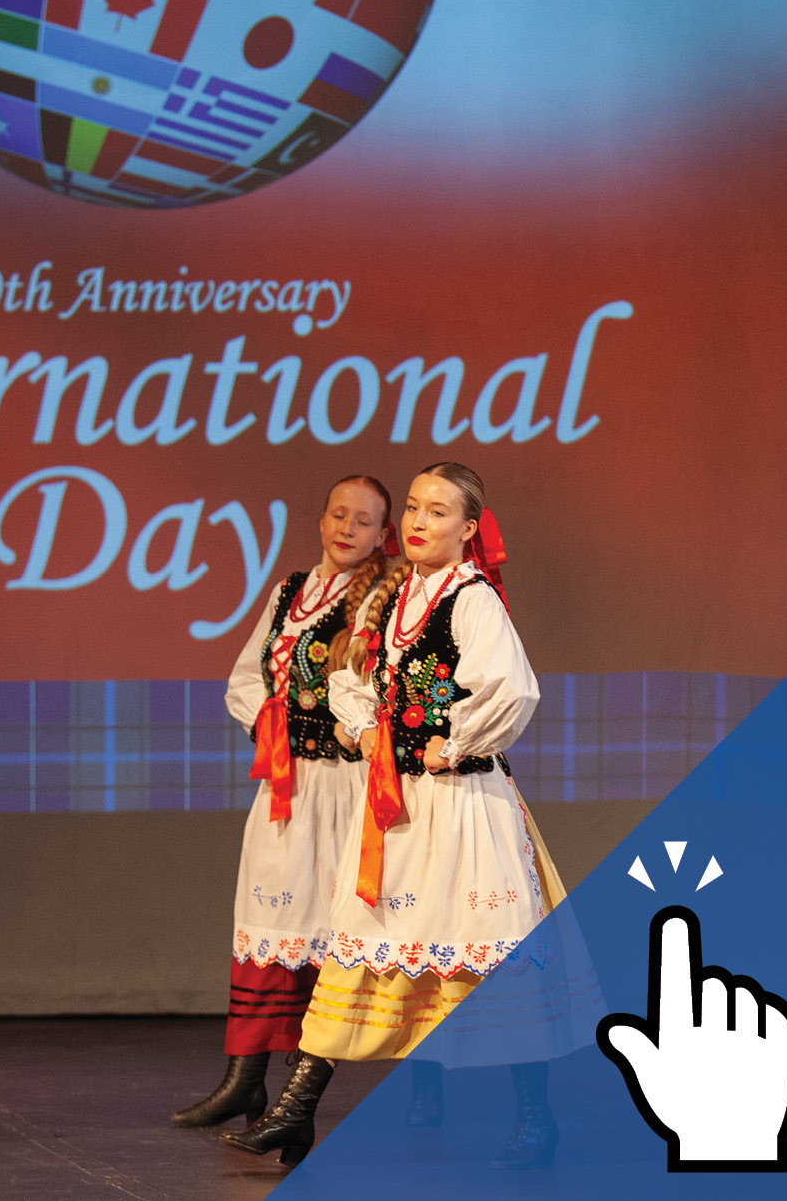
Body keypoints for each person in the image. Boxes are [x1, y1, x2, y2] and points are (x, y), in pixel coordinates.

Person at [223, 463, 568, 1169]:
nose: (417, 521)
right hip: (399, 805)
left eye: (437, 511)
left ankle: (537, 1117)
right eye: (412, 507)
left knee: (486, 955)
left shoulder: (471, 599)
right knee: (357, 945)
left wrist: (456, 739)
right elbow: (350, 677)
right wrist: (359, 725)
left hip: (466, 807)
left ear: (468, 529)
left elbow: (512, 689)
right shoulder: (396, 596)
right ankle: (295, 1112)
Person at [172, 475, 395, 1129]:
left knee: (338, 929)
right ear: (322, 518)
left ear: (383, 534)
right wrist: (269, 723)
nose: (346, 528)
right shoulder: (289, 592)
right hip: (286, 784)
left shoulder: (385, 596)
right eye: (338, 513)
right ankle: (245, 1078)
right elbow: (246, 677)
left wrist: (337, 726)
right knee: (271, 922)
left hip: (344, 784)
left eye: (363, 520)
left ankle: (308, 1090)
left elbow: (373, 687)